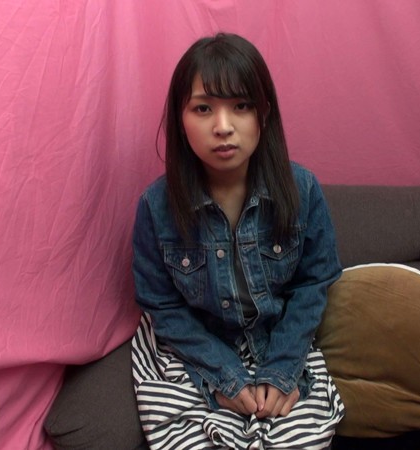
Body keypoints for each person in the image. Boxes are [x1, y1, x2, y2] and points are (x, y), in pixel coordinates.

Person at [129, 33, 345, 449]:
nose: (223, 127)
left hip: (280, 341)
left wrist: (282, 371)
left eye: (241, 106)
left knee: (300, 435)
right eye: (203, 108)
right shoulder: (155, 207)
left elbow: (313, 284)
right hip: (195, 348)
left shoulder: (302, 190)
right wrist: (223, 376)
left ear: (264, 113)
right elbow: (162, 306)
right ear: (180, 119)